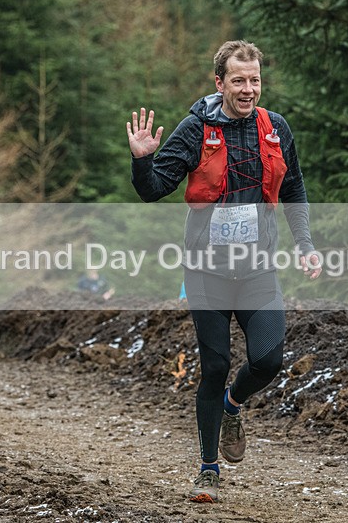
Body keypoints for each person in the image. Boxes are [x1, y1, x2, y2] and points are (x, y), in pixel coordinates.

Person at [127, 40, 321, 503]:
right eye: (238, 80)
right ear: (220, 83)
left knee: (269, 360)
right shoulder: (195, 129)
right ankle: (208, 470)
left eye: (254, 80)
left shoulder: (276, 128)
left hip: (257, 268)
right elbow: (154, 190)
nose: (248, 88)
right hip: (207, 270)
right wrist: (141, 159)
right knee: (213, 365)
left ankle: (234, 405)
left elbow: (293, 187)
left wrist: (306, 245)